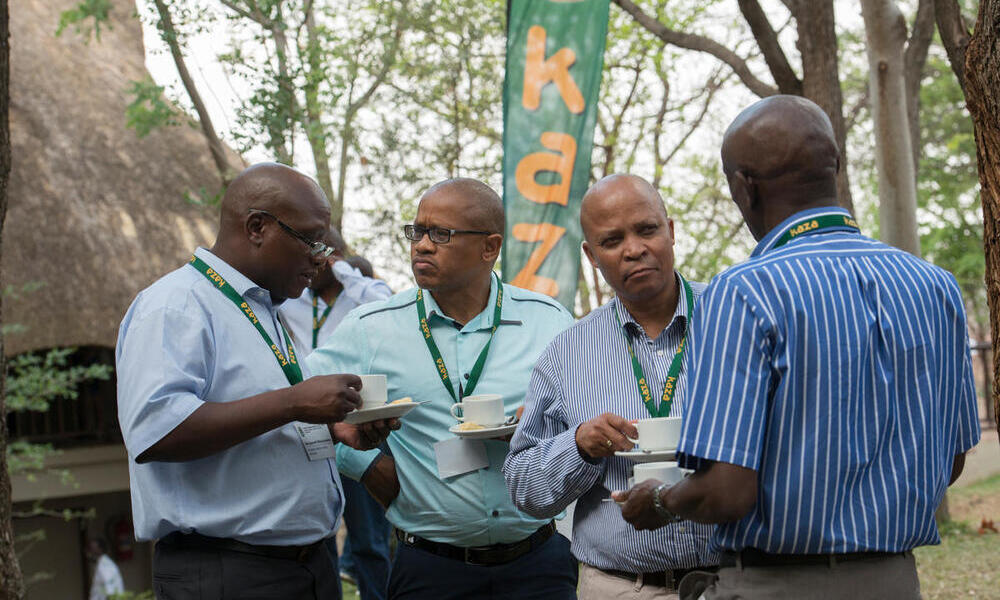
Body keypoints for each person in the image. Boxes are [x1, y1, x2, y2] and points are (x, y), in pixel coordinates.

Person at [615, 96, 981, 600]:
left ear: (744, 188)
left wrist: (657, 501)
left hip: (777, 583)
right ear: (836, 165)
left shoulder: (744, 292)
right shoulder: (935, 287)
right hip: (896, 581)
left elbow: (726, 491)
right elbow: (954, 460)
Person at [116, 162, 397, 600]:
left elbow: (263, 415)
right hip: (229, 573)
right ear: (256, 228)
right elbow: (156, 432)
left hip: (309, 567)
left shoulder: (267, 310)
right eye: (311, 241)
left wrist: (334, 431)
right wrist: (293, 402)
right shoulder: (176, 306)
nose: (321, 258)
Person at [306, 178, 578, 600]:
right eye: (417, 232)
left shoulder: (549, 322)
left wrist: (542, 428)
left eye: (441, 234)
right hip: (430, 570)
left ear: (490, 247)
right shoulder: (371, 330)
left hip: (539, 565)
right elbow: (292, 402)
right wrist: (359, 464)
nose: (422, 245)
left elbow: (586, 415)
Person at [503, 174, 718, 600]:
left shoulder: (737, 321)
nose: (634, 249)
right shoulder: (566, 353)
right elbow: (523, 487)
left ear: (671, 231)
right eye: (612, 240)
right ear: (591, 255)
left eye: (647, 230)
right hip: (620, 587)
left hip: (735, 580)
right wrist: (578, 446)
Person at [281, 240, 394, 600]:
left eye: (318, 257)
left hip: (356, 426)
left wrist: (344, 270)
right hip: (305, 424)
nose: (311, 266)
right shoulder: (291, 299)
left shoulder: (359, 298)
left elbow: (385, 303)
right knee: (319, 532)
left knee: (368, 540)